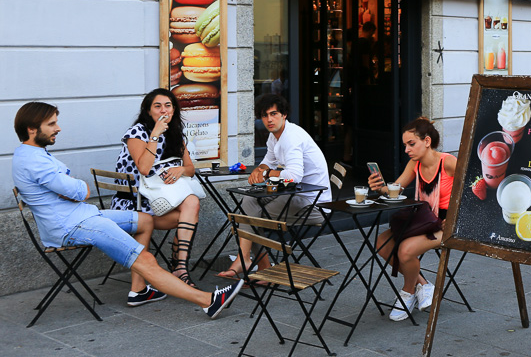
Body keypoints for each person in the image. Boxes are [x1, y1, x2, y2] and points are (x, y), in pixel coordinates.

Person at [11, 102, 242, 316]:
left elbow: (72, 191)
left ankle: (138, 290)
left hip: (81, 216)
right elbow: (81, 192)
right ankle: (207, 301)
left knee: (145, 220)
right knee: (146, 260)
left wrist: (71, 188)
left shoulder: (29, 154)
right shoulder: (35, 161)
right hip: (74, 225)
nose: (58, 128)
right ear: (32, 129)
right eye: (51, 124)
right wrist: (77, 187)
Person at [218, 93, 331, 278]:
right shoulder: (275, 136)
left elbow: (293, 176)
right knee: (248, 202)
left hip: (313, 203)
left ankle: (246, 261)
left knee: (251, 218)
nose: (269, 119)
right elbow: (267, 162)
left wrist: (265, 173)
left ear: (284, 114)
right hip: (294, 194)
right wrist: (259, 170)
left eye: (274, 114)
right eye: (264, 115)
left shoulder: (291, 138)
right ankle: (258, 266)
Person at [367, 117, 457, 321]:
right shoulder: (414, 164)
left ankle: (407, 294)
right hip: (422, 221)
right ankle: (424, 286)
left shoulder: (448, 162)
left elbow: (472, 190)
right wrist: (379, 186)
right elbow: (395, 190)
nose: (407, 149)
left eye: (411, 144)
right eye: (405, 145)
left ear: (426, 141)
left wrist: (452, 219)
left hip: (446, 225)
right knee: (382, 242)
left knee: (405, 250)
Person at [111, 89, 201, 286]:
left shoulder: (176, 134)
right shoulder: (137, 133)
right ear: (148, 110)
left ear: (174, 109)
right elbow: (143, 168)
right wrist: (155, 135)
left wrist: (180, 170)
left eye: (168, 105)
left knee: (192, 204)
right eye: (157, 106)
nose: (163, 110)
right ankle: (179, 267)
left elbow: (191, 169)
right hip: (134, 204)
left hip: (161, 200)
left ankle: (180, 267)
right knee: (189, 216)